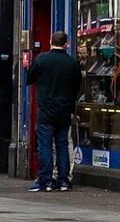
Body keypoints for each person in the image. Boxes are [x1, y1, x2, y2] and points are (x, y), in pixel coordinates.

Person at [26, 30, 80, 192]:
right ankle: (63, 181)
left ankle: (46, 180)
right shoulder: (73, 63)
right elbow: (77, 87)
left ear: (51, 41)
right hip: (64, 111)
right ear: (67, 44)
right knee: (62, 145)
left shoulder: (42, 60)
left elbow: (29, 79)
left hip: (46, 111)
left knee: (45, 146)